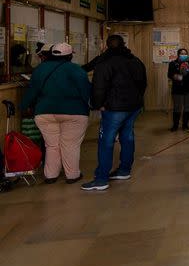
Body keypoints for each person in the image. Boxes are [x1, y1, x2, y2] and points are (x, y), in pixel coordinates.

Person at [82, 35, 147, 191]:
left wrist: (99, 105)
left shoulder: (105, 63)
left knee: (106, 141)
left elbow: (98, 87)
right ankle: (124, 170)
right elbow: (143, 83)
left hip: (114, 108)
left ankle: (101, 179)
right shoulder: (135, 61)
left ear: (106, 46)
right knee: (127, 137)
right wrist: (137, 100)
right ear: (124, 44)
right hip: (134, 106)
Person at [20, 43, 90, 185]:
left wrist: (23, 106)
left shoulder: (40, 69)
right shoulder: (76, 70)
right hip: (73, 112)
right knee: (70, 145)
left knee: (51, 145)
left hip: (44, 113)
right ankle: (72, 175)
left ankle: (50, 175)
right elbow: (86, 91)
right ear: (70, 55)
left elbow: (32, 91)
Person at [167, 48, 189, 131]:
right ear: (178, 55)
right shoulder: (173, 64)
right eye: (182, 54)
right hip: (178, 89)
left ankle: (185, 125)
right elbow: (170, 74)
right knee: (177, 108)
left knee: (188, 108)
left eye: (185, 54)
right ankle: (175, 125)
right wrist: (176, 76)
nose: (184, 55)